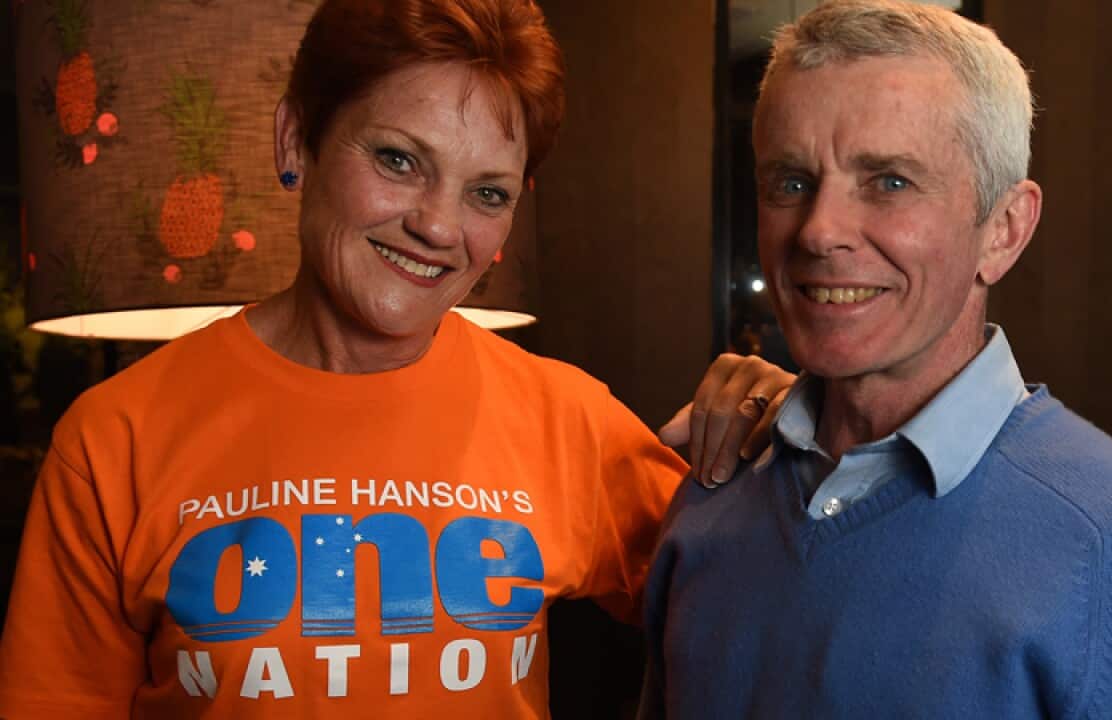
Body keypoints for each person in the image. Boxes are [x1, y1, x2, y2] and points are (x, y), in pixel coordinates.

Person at [0, 0, 793, 717]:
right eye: (398, 160)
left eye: (487, 193)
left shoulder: (563, 414)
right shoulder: (115, 439)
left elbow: (772, 606)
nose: (439, 227)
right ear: (296, 141)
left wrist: (795, 430)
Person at [640, 1, 1112, 717]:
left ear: (1004, 229)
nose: (820, 230)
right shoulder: (712, 493)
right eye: (791, 183)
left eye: (889, 181)